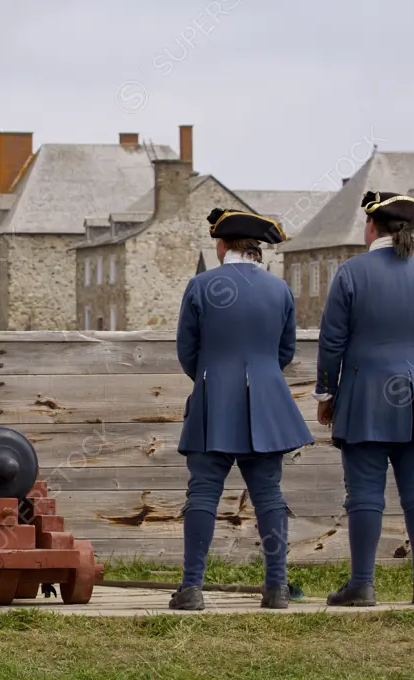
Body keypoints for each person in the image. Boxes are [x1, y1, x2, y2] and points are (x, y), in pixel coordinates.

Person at [315, 191, 414, 607]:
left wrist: (326, 394)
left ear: (371, 226)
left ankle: (362, 585)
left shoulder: (351, 272)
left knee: (364, 494)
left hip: (364, 395)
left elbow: (331, 343)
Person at [171, 209, 314, 611]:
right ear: (255, 248)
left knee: (202, 493)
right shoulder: (279, 289)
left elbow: (187, 351)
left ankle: (192, 588)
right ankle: (277, 588)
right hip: (268, 402)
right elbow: (285, 351)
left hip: (212, 398)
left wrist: (210, 379)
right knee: (269, 495)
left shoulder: (200, 285)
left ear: (221, 244)